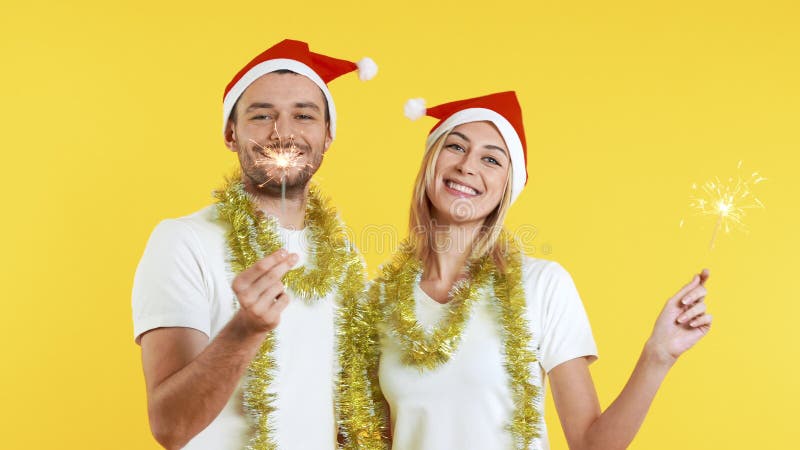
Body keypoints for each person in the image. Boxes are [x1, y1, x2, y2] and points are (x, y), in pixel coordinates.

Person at [358, 92, 713, 450]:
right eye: (455, 146)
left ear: (506, 188)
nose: (468, 166)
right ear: (430, 163)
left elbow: (591, 444)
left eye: (492, 159)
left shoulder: (541, 285)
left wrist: (657, 357)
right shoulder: (380, 300)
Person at [131, 39, 378, 450]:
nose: (283, 133)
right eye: (262, 115)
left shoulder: (342, 255)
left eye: (304, 115)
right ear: (231, 133)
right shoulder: (183, 241)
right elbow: (169, 427)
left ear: (328, 134)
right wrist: (246, 330)